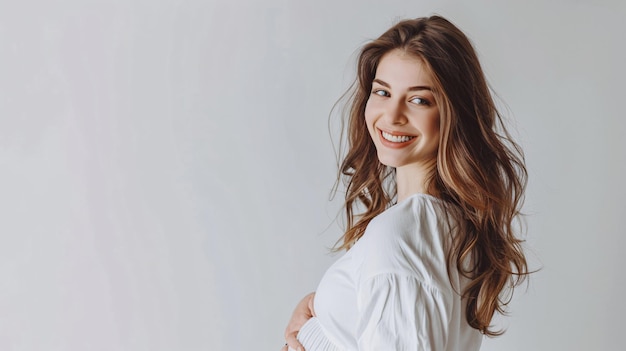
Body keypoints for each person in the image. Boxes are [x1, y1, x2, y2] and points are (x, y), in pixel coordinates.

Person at [281, 15, 529, 351]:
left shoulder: (401, 234)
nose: (392, 114)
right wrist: (324, 313)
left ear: (454, 114)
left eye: (419, 100)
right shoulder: (449, 227)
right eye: (382, 91)